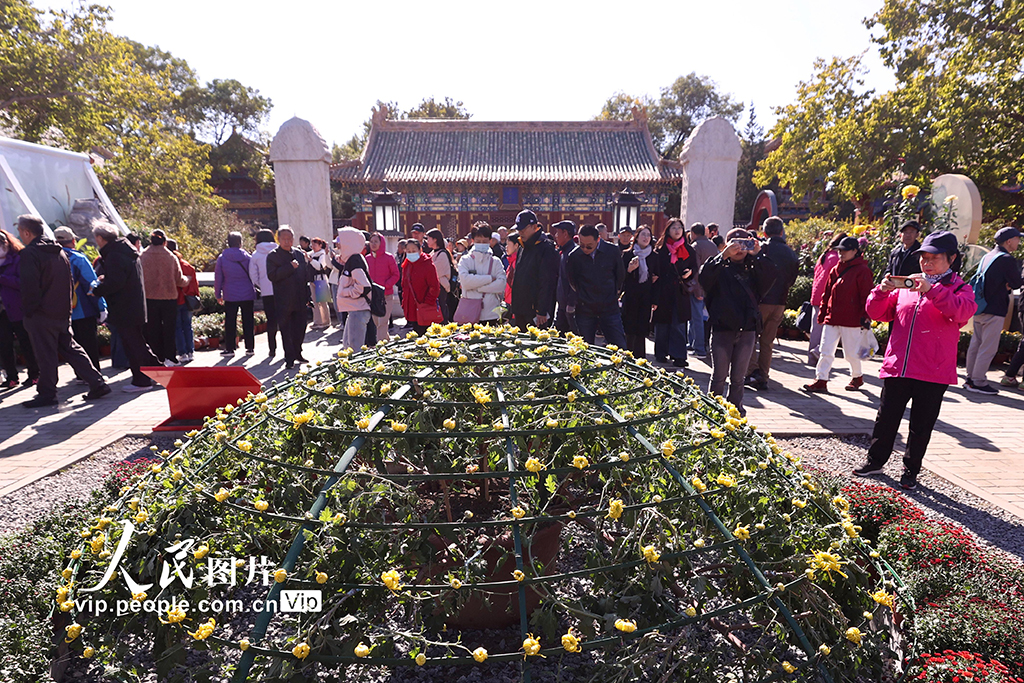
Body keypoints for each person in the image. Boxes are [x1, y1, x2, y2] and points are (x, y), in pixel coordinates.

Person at [857, 231, 977, 489]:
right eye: (924, 257)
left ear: (951, 258)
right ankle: (875, 461)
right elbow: (877, 313)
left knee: (921, 425)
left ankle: (911, 470)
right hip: (899, 365)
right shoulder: (908, 285)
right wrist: (881, 291)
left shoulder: (959, 288)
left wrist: (933, 290)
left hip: (933, 370)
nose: (927, 262)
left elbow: (962, 312)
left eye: (934, 257)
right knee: (886, 418)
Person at [16, 215, 109, 406]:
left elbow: (29, 287)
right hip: (62, 311)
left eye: (20, 232)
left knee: (45, 353)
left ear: (26, 232)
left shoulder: (30, 254)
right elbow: (69, 283)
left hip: (41, 314)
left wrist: (29, 311)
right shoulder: (59, 252)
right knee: (71, 348)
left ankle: (47, 393)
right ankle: (97, 382)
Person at [698, 228, 777, 416]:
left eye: (744, 242)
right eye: (735, 242)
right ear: (726, 245)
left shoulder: (753, 267)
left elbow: (771, 276)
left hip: (747, 329)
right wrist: (723, 256)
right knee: (719, 376)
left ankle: (735, 411)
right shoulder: (718, 266)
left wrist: (758, 253)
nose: (740, 247)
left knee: (739, 377)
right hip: (722, 328)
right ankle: (713, 411)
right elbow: (704, 277)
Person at [92, 223, 161, 392]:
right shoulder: (125, 250)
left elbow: (116, 282)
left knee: (132, 345)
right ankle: (158, 371)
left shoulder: (114, 255)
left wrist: (97, 290)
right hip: (134, 304)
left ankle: (141, 381)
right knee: (138, 342)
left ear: (100, 238)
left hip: (124, 307)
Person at [803, 236, 874, 393]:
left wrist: (865, 316)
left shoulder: (862, 271)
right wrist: (822, 314)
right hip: (832, 317)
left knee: (850, 353)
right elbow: (826, 294)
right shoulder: (836, 269)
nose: (841, 253)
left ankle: (857, 377)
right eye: (839, 250)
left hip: (852, 319)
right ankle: (821, 379)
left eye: (844, 251)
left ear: (855, 251)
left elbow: (867, 296)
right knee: (825, 350)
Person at [965, 226, 1023, 394]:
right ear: (1009, 241)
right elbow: (1017, 283)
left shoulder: (988, 256)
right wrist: (1008, 284)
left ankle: (970, 378)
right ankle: (978, 381)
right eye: (1017, 239)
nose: (1019, 242)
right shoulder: (1006, 259)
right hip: (995, 308)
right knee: (988, 347)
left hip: (980, 306)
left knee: (976, 343)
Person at [745, 217, 798, 390]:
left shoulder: (762, 249)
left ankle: (752, 372)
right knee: (768, 341)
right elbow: (792, 279)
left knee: (750, 337)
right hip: (780, 301)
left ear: (764, 232)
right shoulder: (791, 253)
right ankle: (764, 376)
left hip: (760, 300)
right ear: (782, 232)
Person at [54, 227, 106, 374]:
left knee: (72, 344)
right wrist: (101, 307)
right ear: (73, 241)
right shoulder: (78, 258)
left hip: (61, 310)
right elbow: (91, 284)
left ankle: (80, 374)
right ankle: (94, 374)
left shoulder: (49, 257)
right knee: (89, 343)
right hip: (83, 309)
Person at [567, 224, 627, 347]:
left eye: (589, 246)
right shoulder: (574, 256)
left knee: (620, 347)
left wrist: (613, 293)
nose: (585, 249)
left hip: (609, 307)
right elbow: (573, 281)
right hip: (585, 308)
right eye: (581, 244)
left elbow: (620, 275)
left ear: (598, 240)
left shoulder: (612, 251)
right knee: (584, 350)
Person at [651, 218, 695, 367]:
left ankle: (679, 356)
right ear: (668, 230)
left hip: (680, 291)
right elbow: (655, 269)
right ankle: (661, 353)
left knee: (679, 324)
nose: (677, 230)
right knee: (662, 324)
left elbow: (695, 267)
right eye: (674, 227)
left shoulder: (689, 250)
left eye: (680, 228)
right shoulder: (660, 249)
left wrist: (689, 273)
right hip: (663, 291)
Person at [139, 229, 187, 365]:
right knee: (169, 328)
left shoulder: (143, 256)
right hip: (169, 298)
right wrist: (187, 280)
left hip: (149, 298)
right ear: (165, 242)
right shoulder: (171, 257)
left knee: (152, 329)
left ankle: (156, 356)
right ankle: (170, 357)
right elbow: (179, 279)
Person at [266, 226, 311, 369]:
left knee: (300, 328)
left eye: (289, 239)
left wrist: (308, 295)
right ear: (278, 239)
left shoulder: (298, 254)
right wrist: (289, 267)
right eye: (283, 239)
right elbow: (272, 276)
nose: (287, 241)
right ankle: (289, 358)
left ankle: (298, 352)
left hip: (300, 298)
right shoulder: (273, 256)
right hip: (284, 300)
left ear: (293, 239)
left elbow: (305, 275)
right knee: (286, 331)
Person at [0, 228, 39, 389]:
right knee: (4, 344)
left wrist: (2, 278)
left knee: (26, 342)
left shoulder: (19, 258)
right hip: (1, 310)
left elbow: (23, 283)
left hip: (18, 307)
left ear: (7, 243)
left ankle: (35, 374)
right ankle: (11, 377)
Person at [509, 210, 559, 331]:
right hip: (520, 308)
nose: (520, 232)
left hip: (535, 312)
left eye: (523, 229)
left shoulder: (546, 248)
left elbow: (547, 282)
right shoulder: (522, 246)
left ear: (534, 227)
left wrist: (541, 310)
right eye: (518, 229)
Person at [214, 232, 257, 356]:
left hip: (230, 294)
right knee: (248, 320)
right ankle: (250, 348)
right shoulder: (247, 257)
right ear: (240, 242)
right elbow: (253, 274)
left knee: (230, 321)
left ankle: (230, 348)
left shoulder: (222, 258)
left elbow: (218, 278)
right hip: (247, 293)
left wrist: (218, 294)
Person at [621, 225, 660, 359]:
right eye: (643, 234)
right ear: (636, 237)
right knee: (629, 328)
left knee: (642, 330)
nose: (646, 238)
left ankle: (640, 359)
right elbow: (620, 278)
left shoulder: (654, 256)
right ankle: (627, 357)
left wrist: (655, 300)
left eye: (648, 235)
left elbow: (657, 279)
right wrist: (629, 270)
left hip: (646, 297)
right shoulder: (627, 254)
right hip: (631, 296)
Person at [809, 233, 846, 364]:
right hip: (828, 296)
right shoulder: (837, 258)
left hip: (816, 295)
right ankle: (818, 352)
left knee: (816, 329)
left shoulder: (824, 255)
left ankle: (812, 358)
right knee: (831, 329)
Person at [457, 223, 507, 322]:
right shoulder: (465, 260)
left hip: (491, 314)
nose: (481, 244)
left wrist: (476, 287)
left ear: (490, 241)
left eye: (484, 241)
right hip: (469, 313)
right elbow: (465, 282)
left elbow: (501, 285)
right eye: (478, 241)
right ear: (472, 241)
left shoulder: (495, 261)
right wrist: (489, 279)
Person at [333, 227, 372, 352]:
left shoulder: (355, 260)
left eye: (341, 241)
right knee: (348, 346)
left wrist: (346, 292)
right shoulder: (353, 259)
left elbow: (364, 286)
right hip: (355, 310)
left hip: (358, 310)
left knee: (354, 350)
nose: (338, 244)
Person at [685, 222, 719, 360]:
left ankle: (699, 348)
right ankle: (692, 343)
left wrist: (698, 290)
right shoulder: (712, 245)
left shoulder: (695, 247)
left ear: (693, 233)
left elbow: (697, 270)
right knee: (699, 318)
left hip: (698, 287)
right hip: (711, 288)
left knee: (696, 318)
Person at [165, 239, 198, 363]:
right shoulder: (187, 266)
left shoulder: (169, 265)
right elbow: (194, 284)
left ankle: (182, 352)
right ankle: (191, 351)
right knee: (188, 326)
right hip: (188, 299)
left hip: (174, 300)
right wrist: (195, 295)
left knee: (177, 327)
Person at [249, 229, 280, 357]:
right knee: (285, 320)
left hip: (267, 292)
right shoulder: (279, 251)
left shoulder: (256, 255)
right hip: (281, 290)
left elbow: (253, 275)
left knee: (271, 320)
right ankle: (289, 349)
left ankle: (272, 349)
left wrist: (262, 285)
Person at [365, 233, 400, 342]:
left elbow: (396, 275)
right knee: (377, 323)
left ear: (381, 243)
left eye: (376, 241)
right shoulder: (367, 258)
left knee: (382, 323)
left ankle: (380, 347)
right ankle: (387, 342)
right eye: (371, 241)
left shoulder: (389, 257)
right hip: (373, 296)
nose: (373, 244)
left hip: (386, 295)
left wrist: (385, 286)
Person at [400, 240, 441, 334]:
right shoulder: (407, 264)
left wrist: (426, 303)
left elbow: (434, 287)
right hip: (412, 308)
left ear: (420, 250)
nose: (411, 253)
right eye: (408, 251)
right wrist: (405, 304)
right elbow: (404, 286)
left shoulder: (427, 264)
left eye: (414, 250)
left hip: (425, 308)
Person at [551, 220, 579, 335]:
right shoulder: (564, 251)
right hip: (563, 304)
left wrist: (571, 303)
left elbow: (574, 281)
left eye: (558, 233)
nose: (556, 236)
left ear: (565, 234)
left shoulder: (572, 253)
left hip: (570, 307)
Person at [425, 229, 455, 323]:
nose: (427, 241)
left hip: (441, 286)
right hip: (435, 285)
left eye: (428, 238)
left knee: (441, 309)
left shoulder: (442, 254)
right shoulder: (434, 253)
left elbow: (434, 271)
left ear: (435, 239)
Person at [306, 237, 332, 331]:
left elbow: (319, 266)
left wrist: (310, 260)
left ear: (320, 245)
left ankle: (325, 321)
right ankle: (317, 321)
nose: (312, 247)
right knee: (315, 302)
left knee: (322, 301)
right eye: (312, 245)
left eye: (315, 245)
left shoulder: (322, 254)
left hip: (321, 279)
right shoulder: (312, 254)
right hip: (312, 280)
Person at [503, 231, 520, 313]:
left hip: (514, 305)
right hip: (509, 302)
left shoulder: (516, 262)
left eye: (508, 244)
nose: (506, 247)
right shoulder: (512, 261)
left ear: (516, 245)